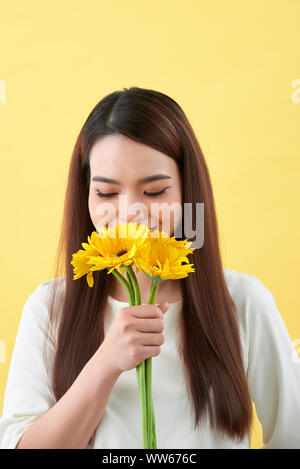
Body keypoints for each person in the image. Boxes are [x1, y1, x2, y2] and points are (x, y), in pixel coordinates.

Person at [0, 87, 299, 449]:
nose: (130, 213)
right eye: (107, 194)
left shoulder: (242, 301)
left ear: (188, 192)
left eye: (155, 192)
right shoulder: (49, 307)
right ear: (86, 196)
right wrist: (106, 362)